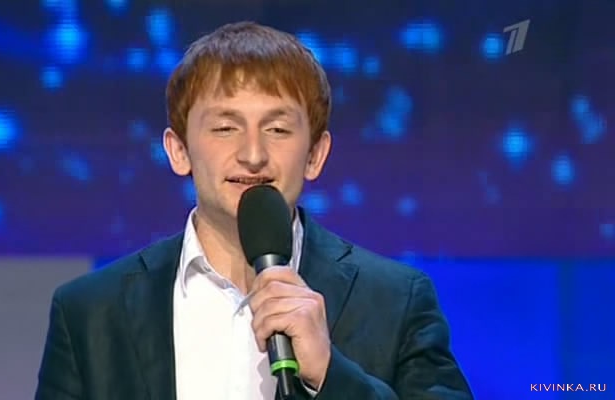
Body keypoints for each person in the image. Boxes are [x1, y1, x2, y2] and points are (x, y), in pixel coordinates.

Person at [34, 21, 473, 400]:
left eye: (277, 129)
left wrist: (329, 375)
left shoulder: (396, 299)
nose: (253, 154)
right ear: (179, 150)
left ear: (315, 154)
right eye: (225, 128)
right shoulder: (91, 312)